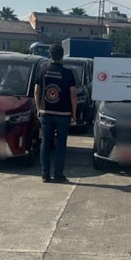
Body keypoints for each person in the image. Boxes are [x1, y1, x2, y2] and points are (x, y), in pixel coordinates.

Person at [34, 44, 77, 183]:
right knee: (61, 145)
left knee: (45, 143)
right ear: (62, 56)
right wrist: (74, 114)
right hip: (63, 113)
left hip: (46, 112)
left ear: (50, 55)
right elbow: (73, 95)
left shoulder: (42, 71)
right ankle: (58, 174)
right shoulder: (68, 73)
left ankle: (45, 174)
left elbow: (36, 91)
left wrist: (38, 108)